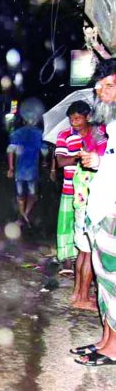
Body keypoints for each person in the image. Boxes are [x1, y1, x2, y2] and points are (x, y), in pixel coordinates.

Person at [71, 58, 116, 365]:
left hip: (113, 213)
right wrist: (100, 163)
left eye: (110, 86)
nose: (102, 92)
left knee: (113, 281)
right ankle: (106, 340)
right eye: (100, 86)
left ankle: (113, 349)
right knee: (104, 281)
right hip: (101, 211)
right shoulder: (112, 125)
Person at [66, 101, 107, 310]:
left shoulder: (87, 138)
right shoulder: (99, 136)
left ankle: (78, 294)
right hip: (88, 200)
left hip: (81, 198)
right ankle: (82, 298)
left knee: (83, 251)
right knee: (89, 252)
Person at [55, 101, 97, 275]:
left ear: (87, 117)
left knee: (87, 227)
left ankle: (88, 262)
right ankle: (66, 260)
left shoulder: (98, 135)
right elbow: (60, 161)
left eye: (78, 118)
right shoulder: (64, 135)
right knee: (66, 225)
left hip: (91, 190)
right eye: (71, 119)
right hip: (69, 187)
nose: (74, 122)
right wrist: (78, 158)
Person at [6, 115, 43, 227]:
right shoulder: (39, 134)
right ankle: (24, 215)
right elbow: (44, 150)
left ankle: (22, 215)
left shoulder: (17, 133)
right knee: (32, 193)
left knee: (20, 194)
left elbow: (10, 151)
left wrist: (11, 168)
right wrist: (46, 161)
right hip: (32, 169)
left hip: (20, 169)